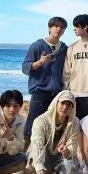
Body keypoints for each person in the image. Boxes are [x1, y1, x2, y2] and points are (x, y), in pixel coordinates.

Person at [22, 17, 68, 152]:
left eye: (62, 27)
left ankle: (47, 157)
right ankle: (22, 156)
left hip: (57, 94)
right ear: (49, 28)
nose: (58, 29)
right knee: (32, 124)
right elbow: (25, 67)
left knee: (53, 126)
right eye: (56, 26)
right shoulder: (37, 46)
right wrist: (40, 62)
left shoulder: (64, 48)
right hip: (40, 91)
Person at [25, 90, 80, 174]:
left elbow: (73, 148)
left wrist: (67, 151)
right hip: (45, 157)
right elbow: (37, 148)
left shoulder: (75, 122)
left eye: (69, 105)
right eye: (63, 103)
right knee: (32, 157)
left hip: (60, 158)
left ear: (72, 108)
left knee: (73, 165)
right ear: (56, 103)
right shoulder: (41, 121)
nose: (65, 107)